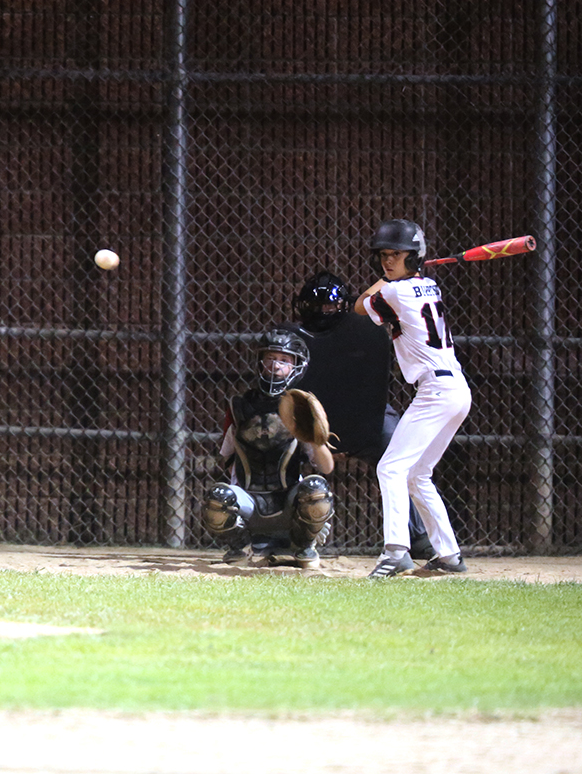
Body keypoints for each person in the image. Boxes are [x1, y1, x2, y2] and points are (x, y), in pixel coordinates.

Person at [288, 271, 436, 561]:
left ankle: (416, 537)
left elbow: (373, 388)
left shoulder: (364, 330)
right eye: (317, 307)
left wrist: (355, 431)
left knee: (398, 450)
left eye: (329, 307)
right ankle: (281, 533)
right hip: (314, 419)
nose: (323, 312)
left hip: (367, 415)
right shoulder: (294, 340)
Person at [354, 219, 471, 578]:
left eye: (396, 255)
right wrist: (405, 270)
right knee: (418, 475)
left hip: (436, 392)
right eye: (384, 256)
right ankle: (449, 555)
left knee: (390, 468)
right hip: (456, 391)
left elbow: (359, 306)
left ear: (414, 257)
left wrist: (389, 280)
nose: (387, 261)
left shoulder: (395, 292)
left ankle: (395, 551)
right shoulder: (429, 285)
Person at [200, 328, 336, 569]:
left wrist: (314, 435)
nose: (275, 365)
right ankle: (240, 545)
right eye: (270, 358)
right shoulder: (240, 406)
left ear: (296, 367)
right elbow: (227, 458)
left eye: (284, 360)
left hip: (289, 504)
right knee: (218, 497)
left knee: (316, 489)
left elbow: (326, 467)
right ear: (260, 362)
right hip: (251, 505)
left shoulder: (300, 408)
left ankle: (303, 543)